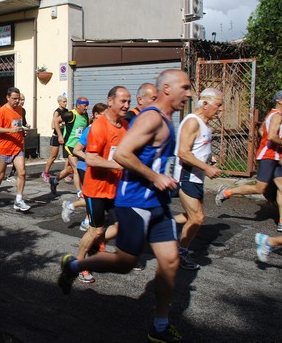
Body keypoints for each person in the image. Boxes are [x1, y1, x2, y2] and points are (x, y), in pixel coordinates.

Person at [57, 69, 192, 342]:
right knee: (124, 262)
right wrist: (156, 176)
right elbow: (123, 154)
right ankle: (73, 266)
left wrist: (164, 179)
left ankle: (160, 326)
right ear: (167, 88)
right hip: (134, 201)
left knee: (170, 262)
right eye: (185, 87)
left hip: (158, 202)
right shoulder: (152, 118)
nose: (189, 93)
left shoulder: (163, 118)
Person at [216, 90, 282, 232]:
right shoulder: (276, 116)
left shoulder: (277, 115)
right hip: (268, 157)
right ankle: (227, 192)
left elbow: (261, 131)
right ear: (279, 101)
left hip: (276, 156)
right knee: (260, 188)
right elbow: (270, 136)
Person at [74, 87, 130, 283]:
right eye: (123, 101)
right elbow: (90, 158)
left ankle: (98, 245)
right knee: (95, 230)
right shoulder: (98, 126)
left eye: (128, 102)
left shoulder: (124, 126)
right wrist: (117, 164)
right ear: (110, 101)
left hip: (115, 188)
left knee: (123, 225)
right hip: (96, 189)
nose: (126, 105)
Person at [172, 88, 223, 270]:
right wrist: (207, 167)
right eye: (218, 105)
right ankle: (180, 254)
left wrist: (209, 159)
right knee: (198, 217)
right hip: (186, 176)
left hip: (196, 176)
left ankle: (162, 225)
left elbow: (196, 149)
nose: (220, 109)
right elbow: (183, 153)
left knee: (189, 215)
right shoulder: (192, 122)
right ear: (205, 103)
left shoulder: (204, 123)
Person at [62, 102, 107, 232]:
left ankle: (79, 212)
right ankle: (82, 215)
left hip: (100, 169)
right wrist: (90, 159)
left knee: (98, 198)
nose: (105, 119)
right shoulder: (90, 130)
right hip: (86, 168)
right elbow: (77, 150)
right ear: (96, 115)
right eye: (103, 116)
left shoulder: (105, 129)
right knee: (94, 198)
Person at [0, 87, 30, 212]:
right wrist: (10, 130)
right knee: (0, 175)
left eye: (18, 99)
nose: (17, 101)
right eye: (14, 99)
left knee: (22, 172)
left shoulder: (20, 109)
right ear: (7, 98)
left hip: (17, 146)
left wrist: (22, 131)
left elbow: (17, 125)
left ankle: (19, 200)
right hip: (4, 147)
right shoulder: (2, 111)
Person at [48, 97, 90, 196]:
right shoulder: (70, 114)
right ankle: (80, 192)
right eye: (85, 105)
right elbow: (56, 121)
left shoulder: (85, 115)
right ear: (78, 105)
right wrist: (60, 136)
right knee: (77, 169)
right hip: (69, 145)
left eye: (87, 105)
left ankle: (54, 180)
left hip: (79, 147)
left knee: (70, 169)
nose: (87, 108)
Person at [42, 95, 69, 182]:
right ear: (59, 102)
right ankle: (45, 172)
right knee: (53, 157)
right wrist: (61, 124)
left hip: (64, 137)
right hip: (56, 137)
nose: (65, 103)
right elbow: (53, 125)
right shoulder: (57, 112)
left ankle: (65, 174)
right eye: (64, 102)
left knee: (68, 157)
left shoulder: (67, 111)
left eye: (66, 101)